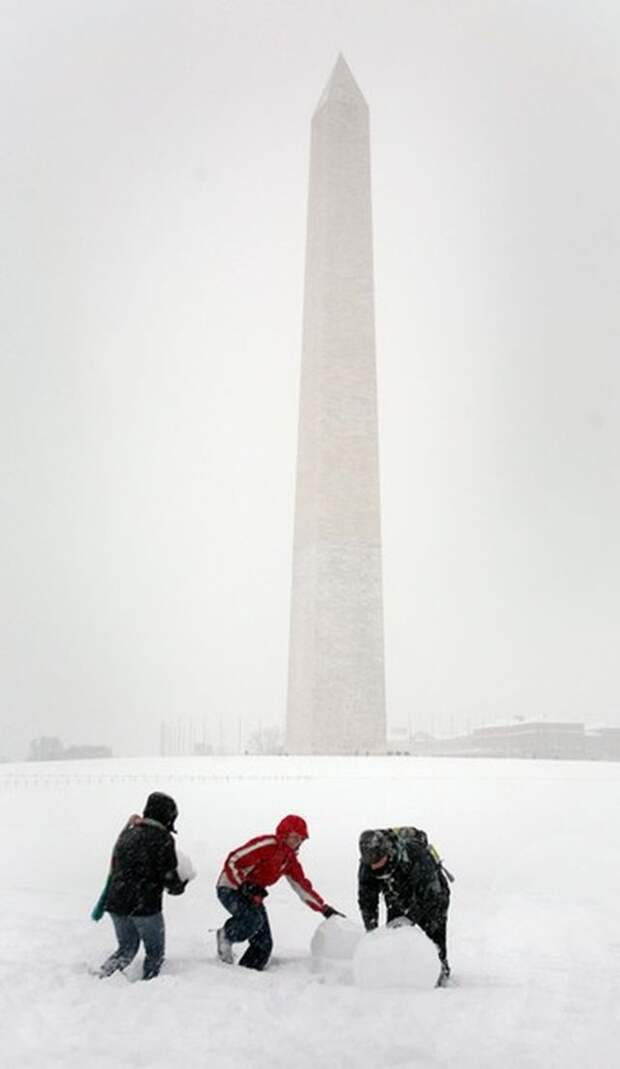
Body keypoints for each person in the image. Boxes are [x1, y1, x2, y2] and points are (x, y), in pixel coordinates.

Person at [215, 814, 343, 970]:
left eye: (301, 839)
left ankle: (247, 972)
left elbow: (301, 886)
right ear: (284, 833)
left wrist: (324, 909)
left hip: (253, 895)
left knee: (264, 944)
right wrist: (243, 886)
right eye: (295, 837)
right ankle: (226, 935)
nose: (298, 842)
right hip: (230, 887)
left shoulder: (289, 860)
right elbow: (233, 860)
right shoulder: (267, 845)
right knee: (252, 920)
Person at [97, 792, 188, 980]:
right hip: (144, 905)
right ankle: (149, 987)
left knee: (126, 949)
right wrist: (181, 883)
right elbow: (169, 878)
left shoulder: (129, 832)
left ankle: (102, 977)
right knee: (155, 953)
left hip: (116, 902)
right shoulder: (162, 838)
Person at [357, 826, 452, 986]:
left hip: (433, 896)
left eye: (378, 862)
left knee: (433, 932)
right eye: (371, 864)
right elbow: (367, 899)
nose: (375, 867)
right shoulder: (368, 864)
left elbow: (431, 895)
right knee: (395, 934)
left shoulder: (416, 855)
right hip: (396, 894)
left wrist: (410, 918)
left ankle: (439, 971)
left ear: (387, 852)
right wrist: (371, 929)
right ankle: (397, 974)